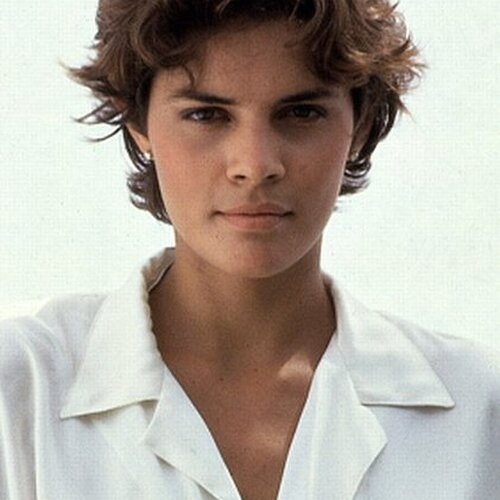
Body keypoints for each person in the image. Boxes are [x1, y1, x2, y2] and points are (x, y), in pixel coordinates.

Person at [0, 0, 498, 499]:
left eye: (301, 112)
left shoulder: (478, 411)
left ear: (361, 124)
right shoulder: (22, 391)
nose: (255, 165)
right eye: (206, 115)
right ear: (138, 122)